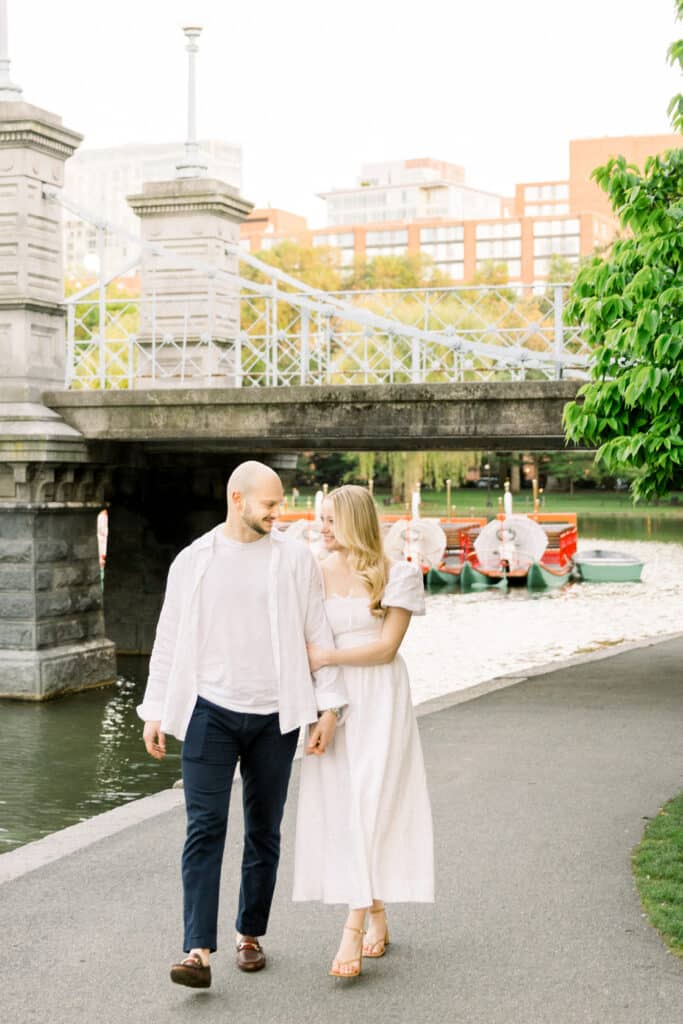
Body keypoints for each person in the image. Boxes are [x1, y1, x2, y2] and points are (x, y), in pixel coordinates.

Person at [138, 461, 347, 990]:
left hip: (277, 714)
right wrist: (156, 708)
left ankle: (249, 933)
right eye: (270, 505)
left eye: (279, 505)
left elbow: (317, 633)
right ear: (237, 498)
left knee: (263, 830)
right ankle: (196, 951)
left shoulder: (295, 560)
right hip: (210, 710)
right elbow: (168, 638)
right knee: (204, 828)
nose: (279, 515)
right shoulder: (194, 561)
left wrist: (328, 708)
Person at [293, 484, 434, 978]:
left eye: (330, 520)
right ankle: (376, 915)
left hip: (382, 697)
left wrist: (327, 656)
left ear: (353, 521)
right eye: (321, 519)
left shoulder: (399, 573)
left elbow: (386, 648)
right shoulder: (312, 570)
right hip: (335, 700)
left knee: (371, 802)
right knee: (345, 806)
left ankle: (351, 931)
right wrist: (322, 703)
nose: (322, 528)